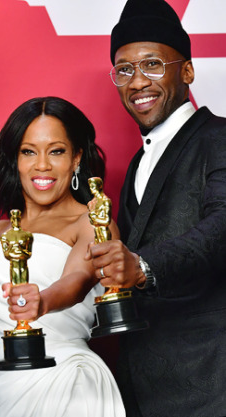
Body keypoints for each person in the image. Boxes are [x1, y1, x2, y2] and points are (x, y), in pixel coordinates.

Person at [86, 1, 226, 416]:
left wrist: (142, 267)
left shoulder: (219, 137)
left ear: (186, 71)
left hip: (211, 378)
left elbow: (222, 225)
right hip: (142, 384)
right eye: (124, 70)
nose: (137, 82)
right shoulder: (136, 163)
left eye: (152, 65)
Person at [0, 96, 125, 417]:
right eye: (29, 151)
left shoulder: (91, 221)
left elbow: (77, 278)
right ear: (14, 159)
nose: (42, 165)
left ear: (76, 158)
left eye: (56, 151)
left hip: (66, 382)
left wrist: (41, 302)